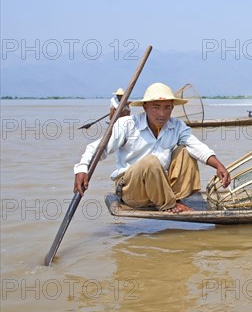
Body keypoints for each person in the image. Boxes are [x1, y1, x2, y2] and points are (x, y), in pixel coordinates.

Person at [74, 83, 231, 214]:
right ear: (145, 107)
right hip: (132, 191)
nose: (162, 113)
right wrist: (82, 168)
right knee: (150, 161)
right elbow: (99, 147)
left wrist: (218, 165)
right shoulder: (127, 125)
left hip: (161, 186)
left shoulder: (176, 126)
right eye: (156, 107)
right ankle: (170, 205)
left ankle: (173, 198)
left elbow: (197, 146)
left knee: (186, 151)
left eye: (167, 108)